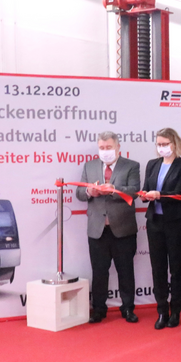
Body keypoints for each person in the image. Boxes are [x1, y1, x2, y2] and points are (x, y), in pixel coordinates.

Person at [76, 131, 141, 324]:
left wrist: (112, 190)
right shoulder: (89, 166)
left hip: (123, 229)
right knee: (99, 272)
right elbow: (79, 193)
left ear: (118, 147)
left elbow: (134, 191)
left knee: (126, 271)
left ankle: (128, 308)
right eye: (102, 148)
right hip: (97, 230)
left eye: (109, 147)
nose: (105, 151)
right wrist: (89, 191)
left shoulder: (131, 166)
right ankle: (98, 309)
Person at [141, 128, 181, 330]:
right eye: (159, 144)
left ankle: (176, 310)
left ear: (175, 144)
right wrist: (145, 195)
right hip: (155, 222)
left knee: (176, 267)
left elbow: (179, 193)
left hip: (175, 222)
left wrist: (158, 195)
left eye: (165, 144)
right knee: (158, 267)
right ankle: (162, 310)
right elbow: (146, 187)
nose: (161, 148)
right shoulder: (152, 164)